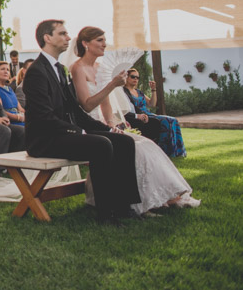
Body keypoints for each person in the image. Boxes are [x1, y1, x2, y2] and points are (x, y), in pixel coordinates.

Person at [24, 19, 140, 224]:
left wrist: (108, 128)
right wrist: (79, 132)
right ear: (47, 38)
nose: (69, 38)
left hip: (62, 134)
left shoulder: (59, 69)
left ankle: (124, 205)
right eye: (62, 34)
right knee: (101, 145)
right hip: (44, 140)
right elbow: (44, 118)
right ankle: (106, 212)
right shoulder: (36, 72)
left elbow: (75, 112)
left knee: (123, 141)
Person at [69, 27, 197, 213]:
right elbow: (87, 105)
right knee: (136, 147)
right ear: (85, 43)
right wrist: (113, 84)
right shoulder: (78, 68)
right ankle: (136, 202)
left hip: (104, 123)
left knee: (147, 145)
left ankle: (159, 196)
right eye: (100, 40)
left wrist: (111, 123)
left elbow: (105, 104)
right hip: (88, 124)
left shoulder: (99, 68)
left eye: (105, 40)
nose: (105, 44)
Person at [123, 69, 186, 158]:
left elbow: (152, 104)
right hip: (140, 116)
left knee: (173, 120)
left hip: (148, 114)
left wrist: (153, 90)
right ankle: (163, 150)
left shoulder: (139, 92)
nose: (135, 79)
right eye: (133, 76)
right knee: (167, 120)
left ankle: (176, 151)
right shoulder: (124, 92)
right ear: (126, 77)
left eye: (137, 77)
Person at [0, 61, 25, 126]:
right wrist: (18, 118)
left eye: (8, 70)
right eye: (2, 69)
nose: (6, 71)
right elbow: (0, 111)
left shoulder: (10, 89)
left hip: (20, 119)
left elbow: (20, 109)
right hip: (8, 122)